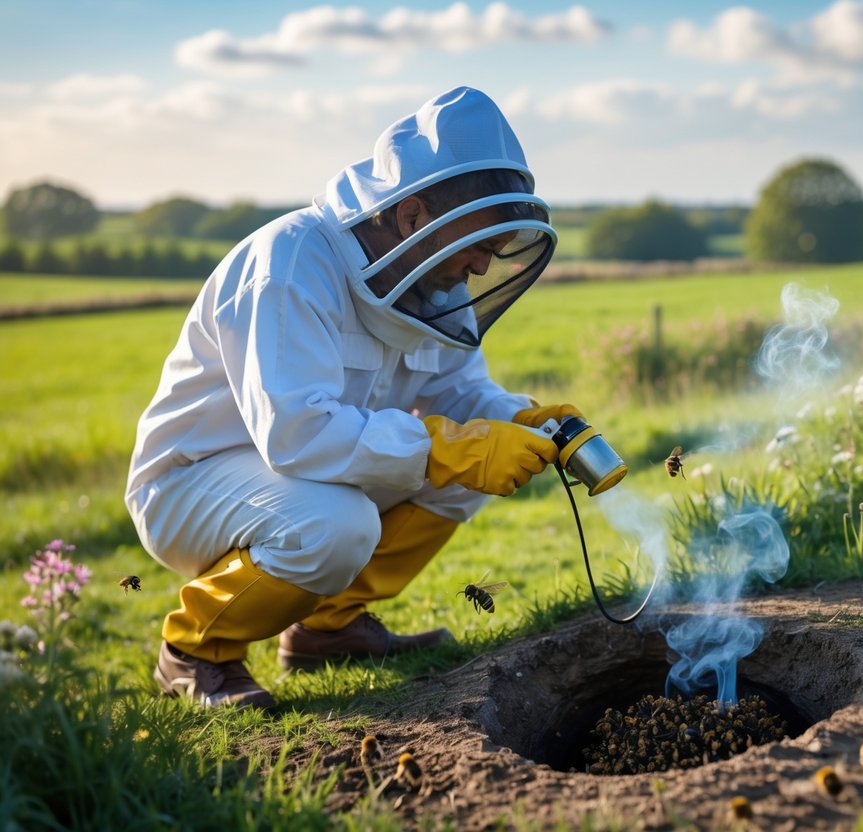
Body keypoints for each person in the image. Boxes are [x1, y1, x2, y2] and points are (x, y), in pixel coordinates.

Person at [124, 86, 582, 709]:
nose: (482, 267)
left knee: (465, 474)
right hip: (191, 480)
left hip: (297, 474)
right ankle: (194, 649)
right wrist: (450, 445)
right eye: (477, 245)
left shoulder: (431, 281)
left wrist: (523, 419)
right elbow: (298, 434)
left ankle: (328, 628)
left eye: (495, 249)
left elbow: (460, 391)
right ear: (413, 216)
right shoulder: (289, 261)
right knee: (336, 524)